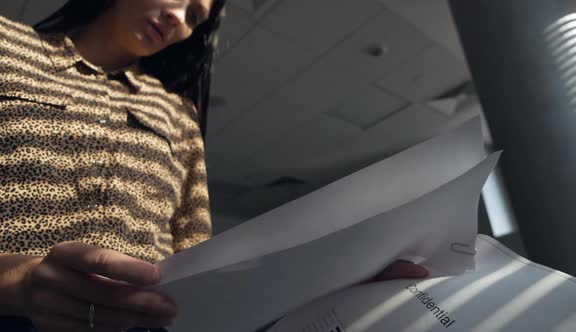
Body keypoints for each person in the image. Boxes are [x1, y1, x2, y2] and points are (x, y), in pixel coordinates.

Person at [0, 1, 428, 331]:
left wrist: (323, 286)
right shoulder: (7, 46)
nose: (180, 19)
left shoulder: (176, 113)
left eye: (195, 16)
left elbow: (196, 260)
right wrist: (17, 283)